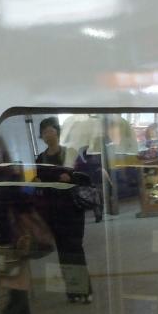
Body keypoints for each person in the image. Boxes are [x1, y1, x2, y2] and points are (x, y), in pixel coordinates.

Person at [35, 116, 93, 303]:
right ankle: (73, 292)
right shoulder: (40, 159)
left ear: (57, 132)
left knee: (75, 249)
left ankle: (85, 291)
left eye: (50, 130)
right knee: (63, 252)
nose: (47, 134)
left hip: (72, 209)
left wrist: (71, 179)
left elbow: (85, 177)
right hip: (53, 212)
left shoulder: (70, 153)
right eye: (44, 132)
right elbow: (38, 183)